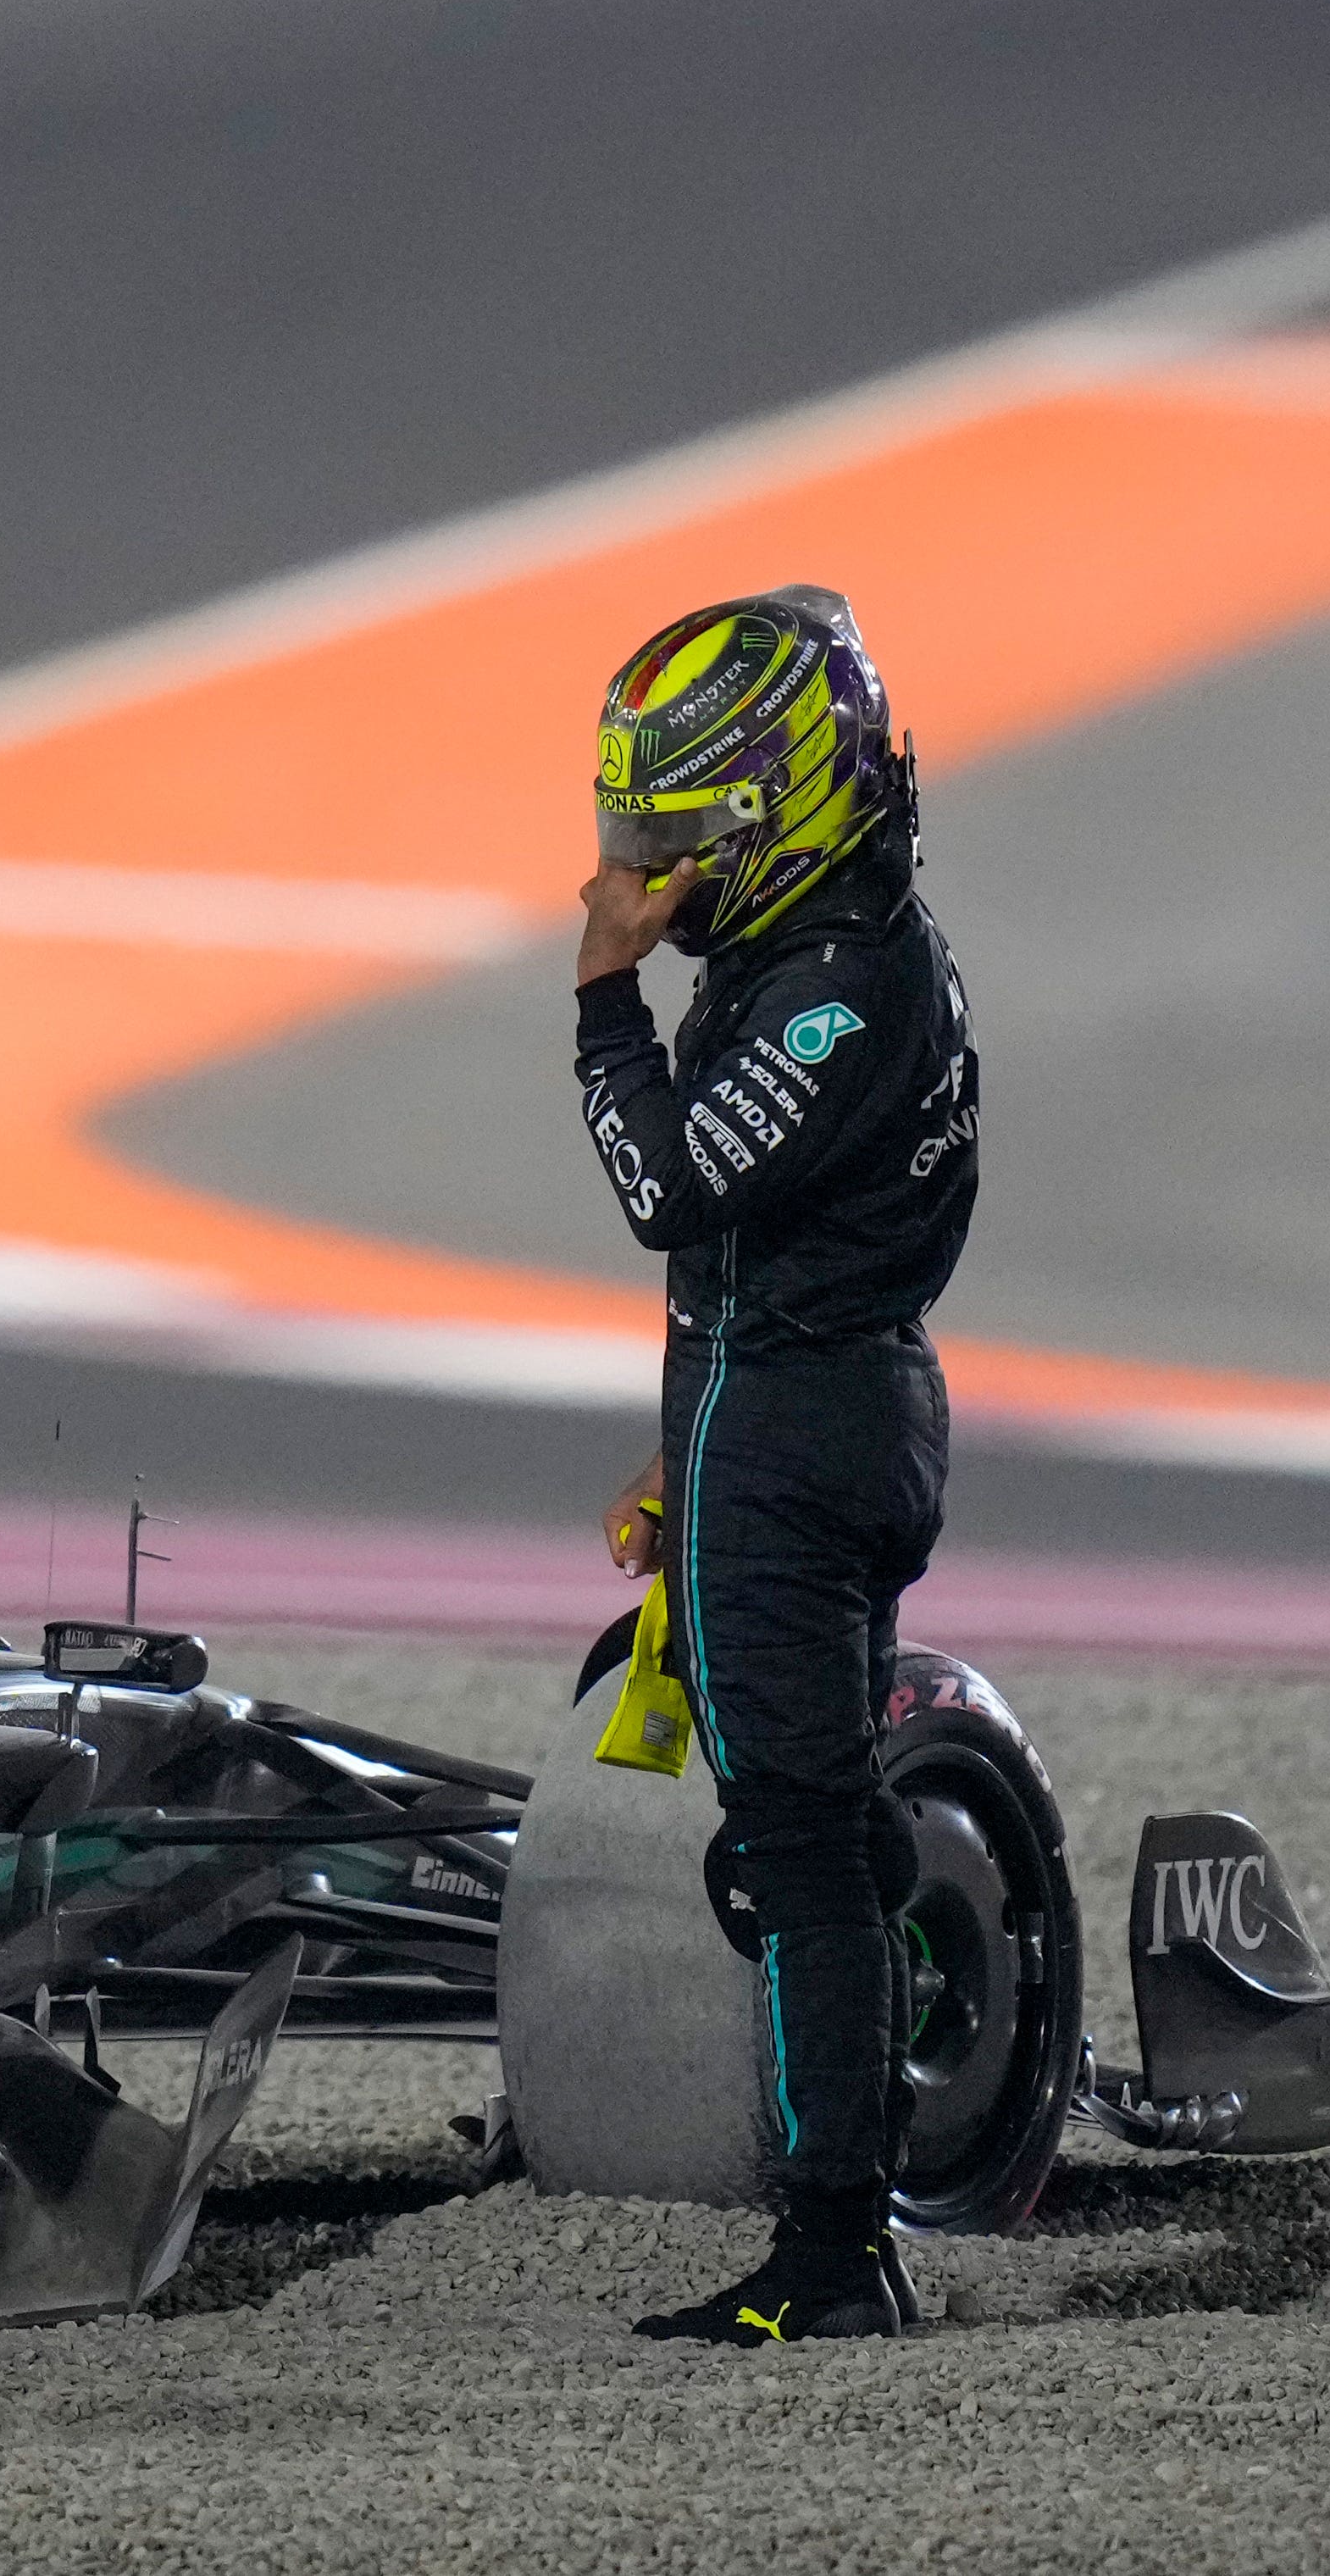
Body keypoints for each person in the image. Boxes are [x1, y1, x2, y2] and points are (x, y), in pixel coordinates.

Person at [567, 584, 980, 2346]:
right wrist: (684, 1459)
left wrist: (598, 1003)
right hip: (808, 1413)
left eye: (668, 837)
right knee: (815, 1830)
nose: (634, 876)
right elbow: (737, 1262)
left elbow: (671, 1189)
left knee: (799, 1845)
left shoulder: (837, 994)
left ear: (768, 809)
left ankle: (836, 2246)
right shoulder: (842, 953)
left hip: (802, 1430)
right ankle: (852, 2195)